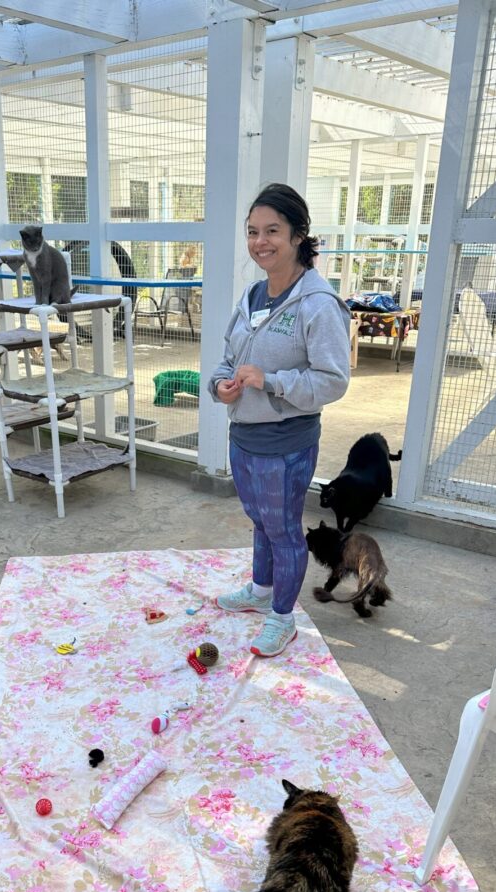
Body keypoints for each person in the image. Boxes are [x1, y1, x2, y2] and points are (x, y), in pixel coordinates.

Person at [208, 183, 351, 657]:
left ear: (297, 236)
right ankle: (261, 589)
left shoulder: (317, 304)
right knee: (260, 520)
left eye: (272, 230)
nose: (260, 242)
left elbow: (332, 381)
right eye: (252, 232)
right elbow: (228, 358)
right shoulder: (252, 295)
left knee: (284, 527)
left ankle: (283, 618)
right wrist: (220, 385)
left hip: (285, 441)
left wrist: (272, 381)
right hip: (243, 433)